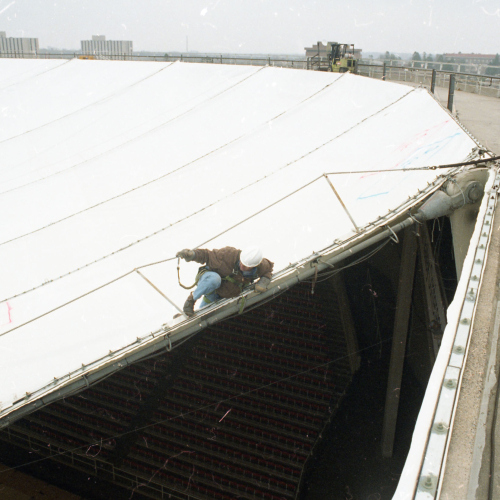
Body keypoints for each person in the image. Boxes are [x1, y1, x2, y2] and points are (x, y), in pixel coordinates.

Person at [176, 245, 273, 317]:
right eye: (242, 263)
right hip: (211, 285)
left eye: (247, 266)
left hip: (224, 294)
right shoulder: (228, 255)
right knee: (214, 279)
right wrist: (192, 255)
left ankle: (186, 316)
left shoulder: (261, 266)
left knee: (204, 317)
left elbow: (268, 269)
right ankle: (190, 301)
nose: (242, 266)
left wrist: (263, 282)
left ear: (254, 266)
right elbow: (207, 255)